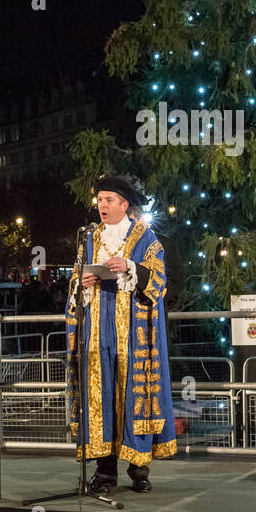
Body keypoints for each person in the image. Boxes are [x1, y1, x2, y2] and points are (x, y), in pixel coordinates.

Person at [66, 174, 176, 493]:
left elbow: (158, 282)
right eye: (99, 200)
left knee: (133, 397)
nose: (102, 206)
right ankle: (104, 473)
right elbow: (76, 276)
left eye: (108, 200)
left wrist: (129, 266)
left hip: (133, 334)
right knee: (100, 400)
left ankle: (139, 470)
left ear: (124, 205)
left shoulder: (146, 238)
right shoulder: (89, 238)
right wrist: (81, 284)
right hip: (99, 333)